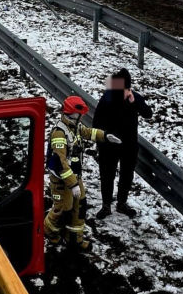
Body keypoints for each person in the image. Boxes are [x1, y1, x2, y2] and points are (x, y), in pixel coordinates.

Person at [44, 96, 121, 251]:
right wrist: (72, 185)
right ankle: (50, 232)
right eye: (81, 114)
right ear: (73, 113)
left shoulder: (75, 126)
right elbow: (61, 163)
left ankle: (74, 239)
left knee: (79, 206)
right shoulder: (59, 134)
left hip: (74, 176)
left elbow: (87, 132)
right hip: (62, 181)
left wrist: (105, 136)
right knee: (62, 209)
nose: (83, 117)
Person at [93, 68, 152, 219]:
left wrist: (135, 103)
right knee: (107, 175)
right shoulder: (108, 98)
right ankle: (106, 205)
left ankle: (121, 203)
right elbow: (97, 121)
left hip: (129, 146)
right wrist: (102, 139)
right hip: (108, 146)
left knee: (127, 175)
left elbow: (148, 114)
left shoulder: (135, 98)